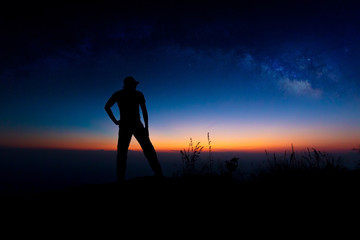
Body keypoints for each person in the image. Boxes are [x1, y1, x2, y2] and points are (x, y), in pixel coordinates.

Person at [105, 76, 163, 182]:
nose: (135, 86)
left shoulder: (119, 94)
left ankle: (120, 179)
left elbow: (107, 107)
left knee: (123, 153)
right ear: (130, 84)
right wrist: (146, 127)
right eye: (134, 84)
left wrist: (115, 121)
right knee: (148, 150)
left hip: (126, 126)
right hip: (136, 125)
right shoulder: (138, 94)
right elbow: (144, 111)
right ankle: (158, 173)